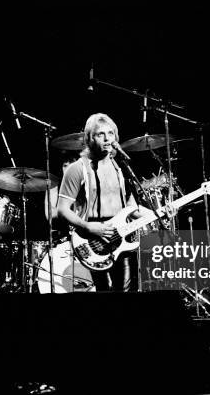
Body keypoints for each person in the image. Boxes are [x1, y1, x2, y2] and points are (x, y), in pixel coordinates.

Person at [57, 113, 154, 291]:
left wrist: (156, 213)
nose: (107, 138)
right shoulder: (77, 169)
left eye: (111, 133)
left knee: (125, 289)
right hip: (94, 237)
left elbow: (131, 207)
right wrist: (87, 226)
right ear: (90, 138)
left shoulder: (120, 168)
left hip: (122, 234)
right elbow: (62, 209)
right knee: (105, 289)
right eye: (101, 134)